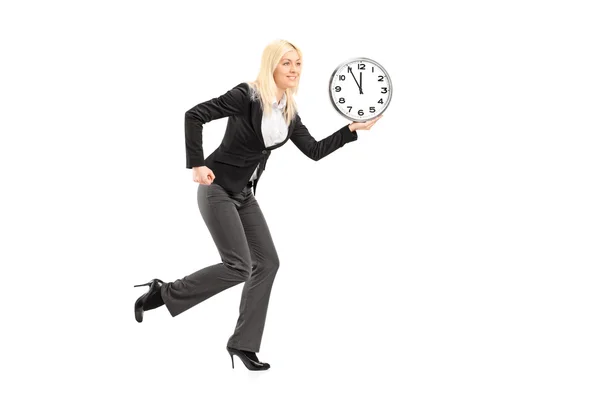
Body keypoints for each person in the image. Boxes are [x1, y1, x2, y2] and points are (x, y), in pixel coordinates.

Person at [133, 39, 383, 371]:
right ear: (271, 66)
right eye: (286, 63)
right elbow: (194, 115)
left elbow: (314, 150)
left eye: (298, 64)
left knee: (268, 263)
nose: (294, 70)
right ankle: (164, 293)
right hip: (216, 187)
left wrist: (351, 129)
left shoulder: (288, 112)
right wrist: (196, 163)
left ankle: (243, 344)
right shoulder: (246, 96)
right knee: (239, 265)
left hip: (243, 195)